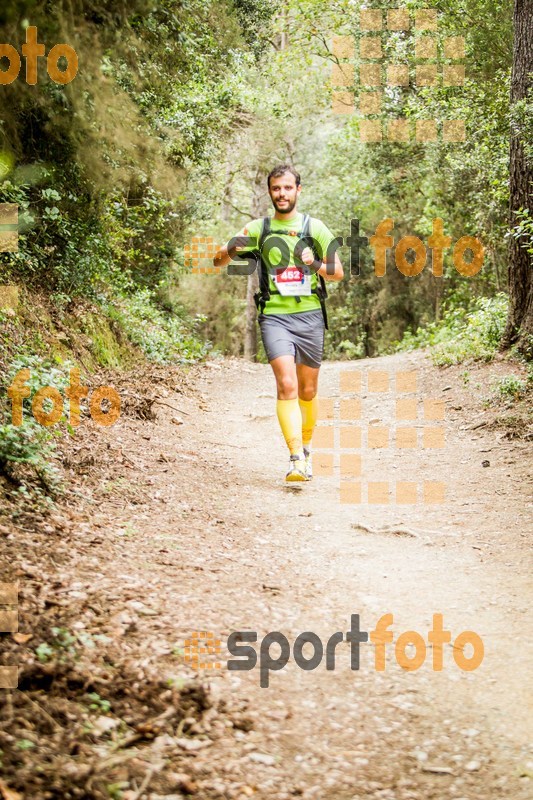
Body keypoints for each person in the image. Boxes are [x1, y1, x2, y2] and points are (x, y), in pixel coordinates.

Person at [214, 164, 343, 481]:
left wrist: (315, 264)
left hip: (310, 315)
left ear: (298, 190)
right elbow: (218, 259)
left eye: (287, 188)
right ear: (269, 192)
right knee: (287, 385)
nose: (281, 194)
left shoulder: (315, 228)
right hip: (274, 316)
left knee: (308, 391)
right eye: (276, 189)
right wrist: (234, 246)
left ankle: (308, 450)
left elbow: (337, 272)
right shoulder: (259, 228)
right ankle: (295, 458)